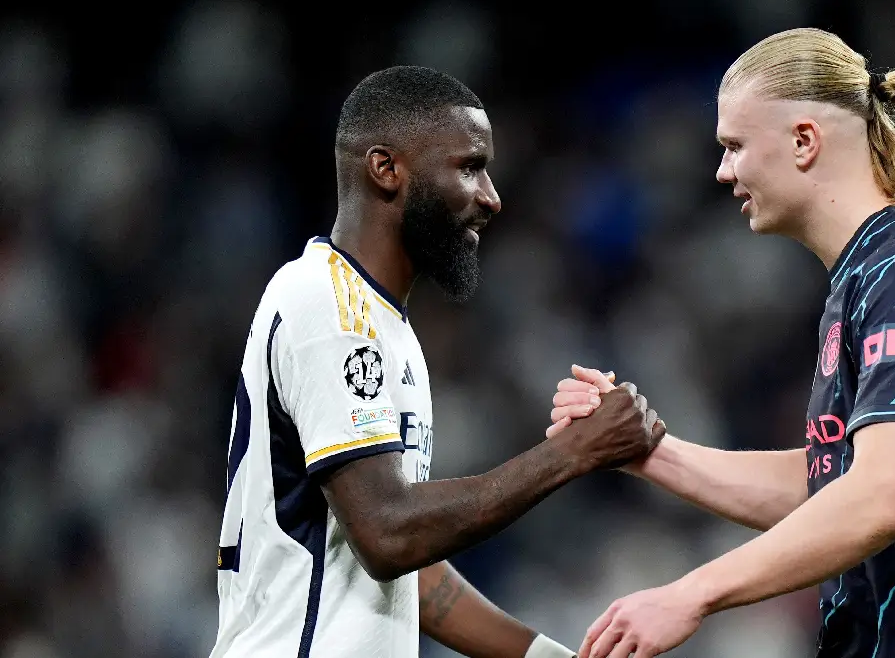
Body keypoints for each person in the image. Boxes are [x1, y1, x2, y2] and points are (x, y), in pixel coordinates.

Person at [547, 28, 895, 658]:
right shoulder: (870, 275)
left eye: (735, 146)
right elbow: (835, 485)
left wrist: (692, 593)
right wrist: (648, 450)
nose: (722, 171)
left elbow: (882, 496)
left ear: (804, 141)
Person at [209, 65, 665, 658]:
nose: (492, 197)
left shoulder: (384, 327)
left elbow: (413, 577)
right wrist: (572, 453)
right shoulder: (324, 301)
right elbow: (388, 534)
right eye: (470, 166)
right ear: (385, 168)